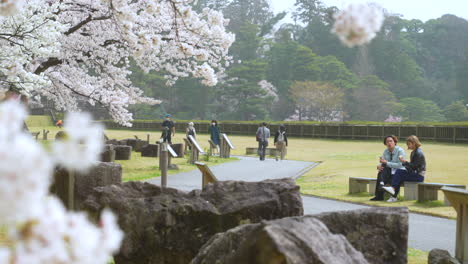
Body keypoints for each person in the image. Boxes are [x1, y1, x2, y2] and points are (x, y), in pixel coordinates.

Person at [382, 135, 426, 202]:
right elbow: (411, 167)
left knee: (399, 173)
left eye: (409, 144)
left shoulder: (418, 153)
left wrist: (404, 162)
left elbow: (414, 167)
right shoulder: (413, 152)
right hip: (415, 174)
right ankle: (394, 196)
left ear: (414, 143)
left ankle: (393, 192)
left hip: (419, 176)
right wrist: (404, 163)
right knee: (398, 174)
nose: (407, 146)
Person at [370, 135, 406, 202]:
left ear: (395, 142)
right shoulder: (386, 151)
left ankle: (380, 190)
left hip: (399, 172)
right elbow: (383, 162)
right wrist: (379, 166)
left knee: (383, 171)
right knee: (381, 170)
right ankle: (380, 190)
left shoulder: (400, 151)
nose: (389, 143)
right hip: (388, 172)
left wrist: (387, 163)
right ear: (385, 144)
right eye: (387, 142)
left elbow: (400, 165)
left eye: (391, 141)